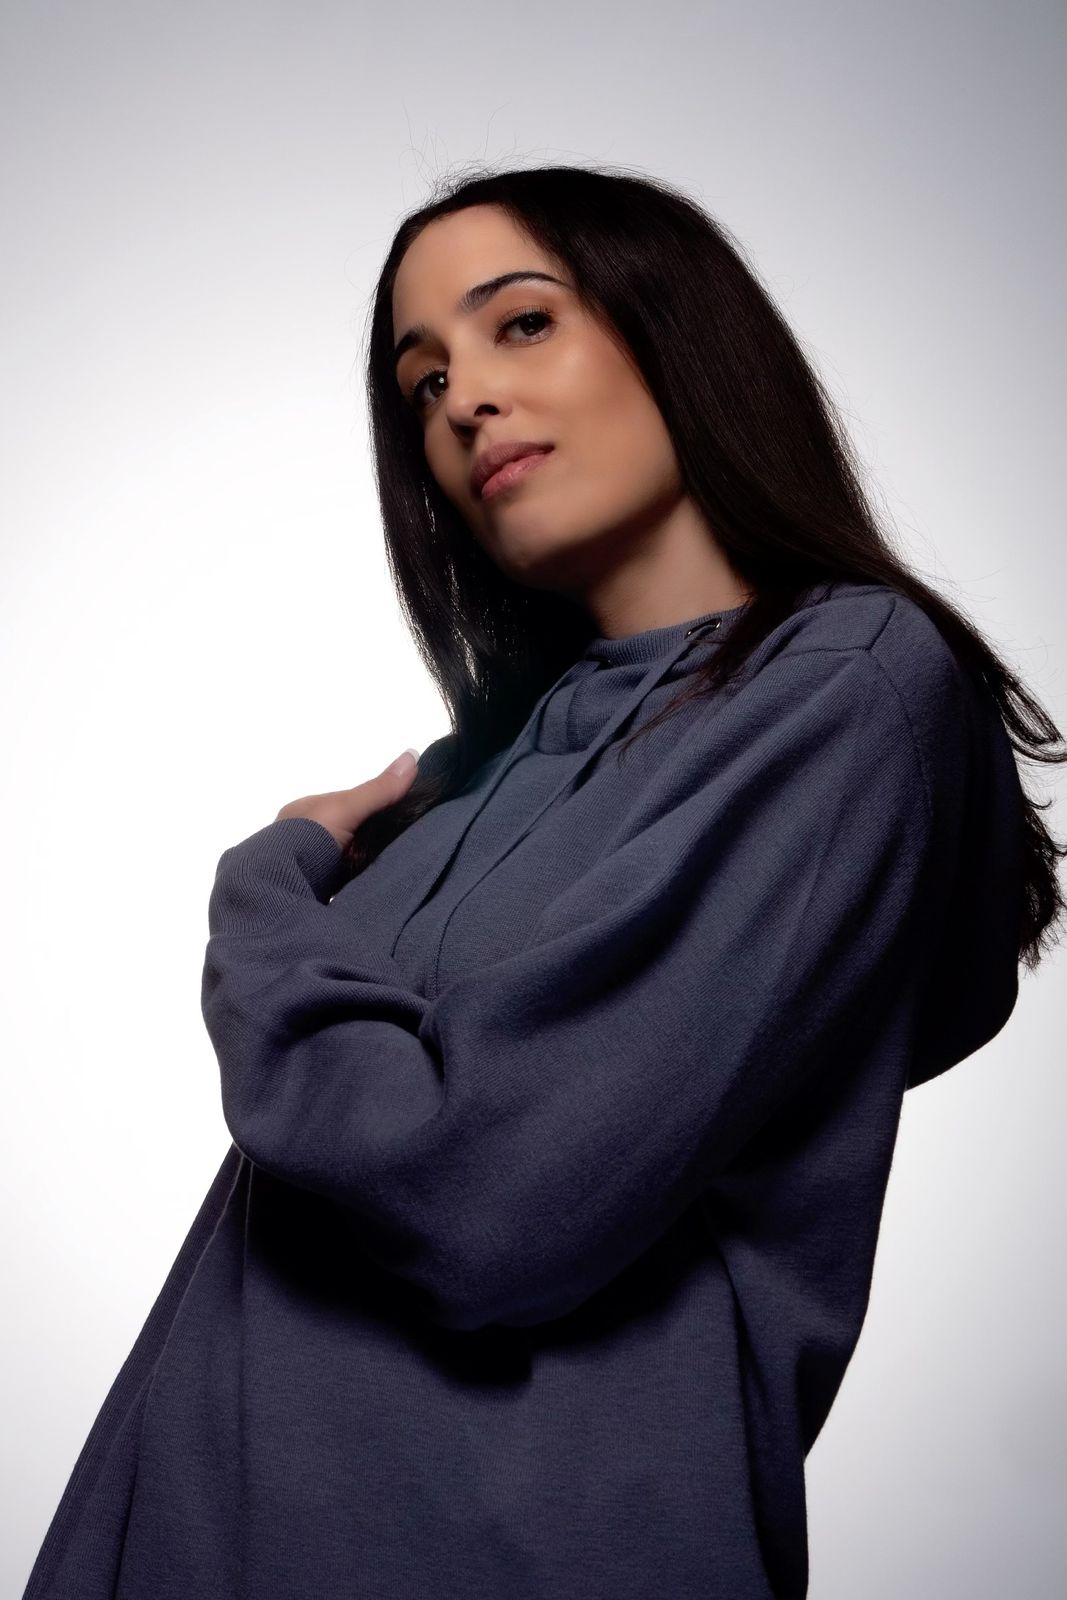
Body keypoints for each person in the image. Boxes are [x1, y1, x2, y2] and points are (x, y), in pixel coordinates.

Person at [21, 164, 1065, 1600]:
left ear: (676, 331)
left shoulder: (843, 683)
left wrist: (262, 888)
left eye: (520, 323)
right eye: (423, 380)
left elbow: (485, 1201)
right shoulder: (467, 784)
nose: (462, 399)